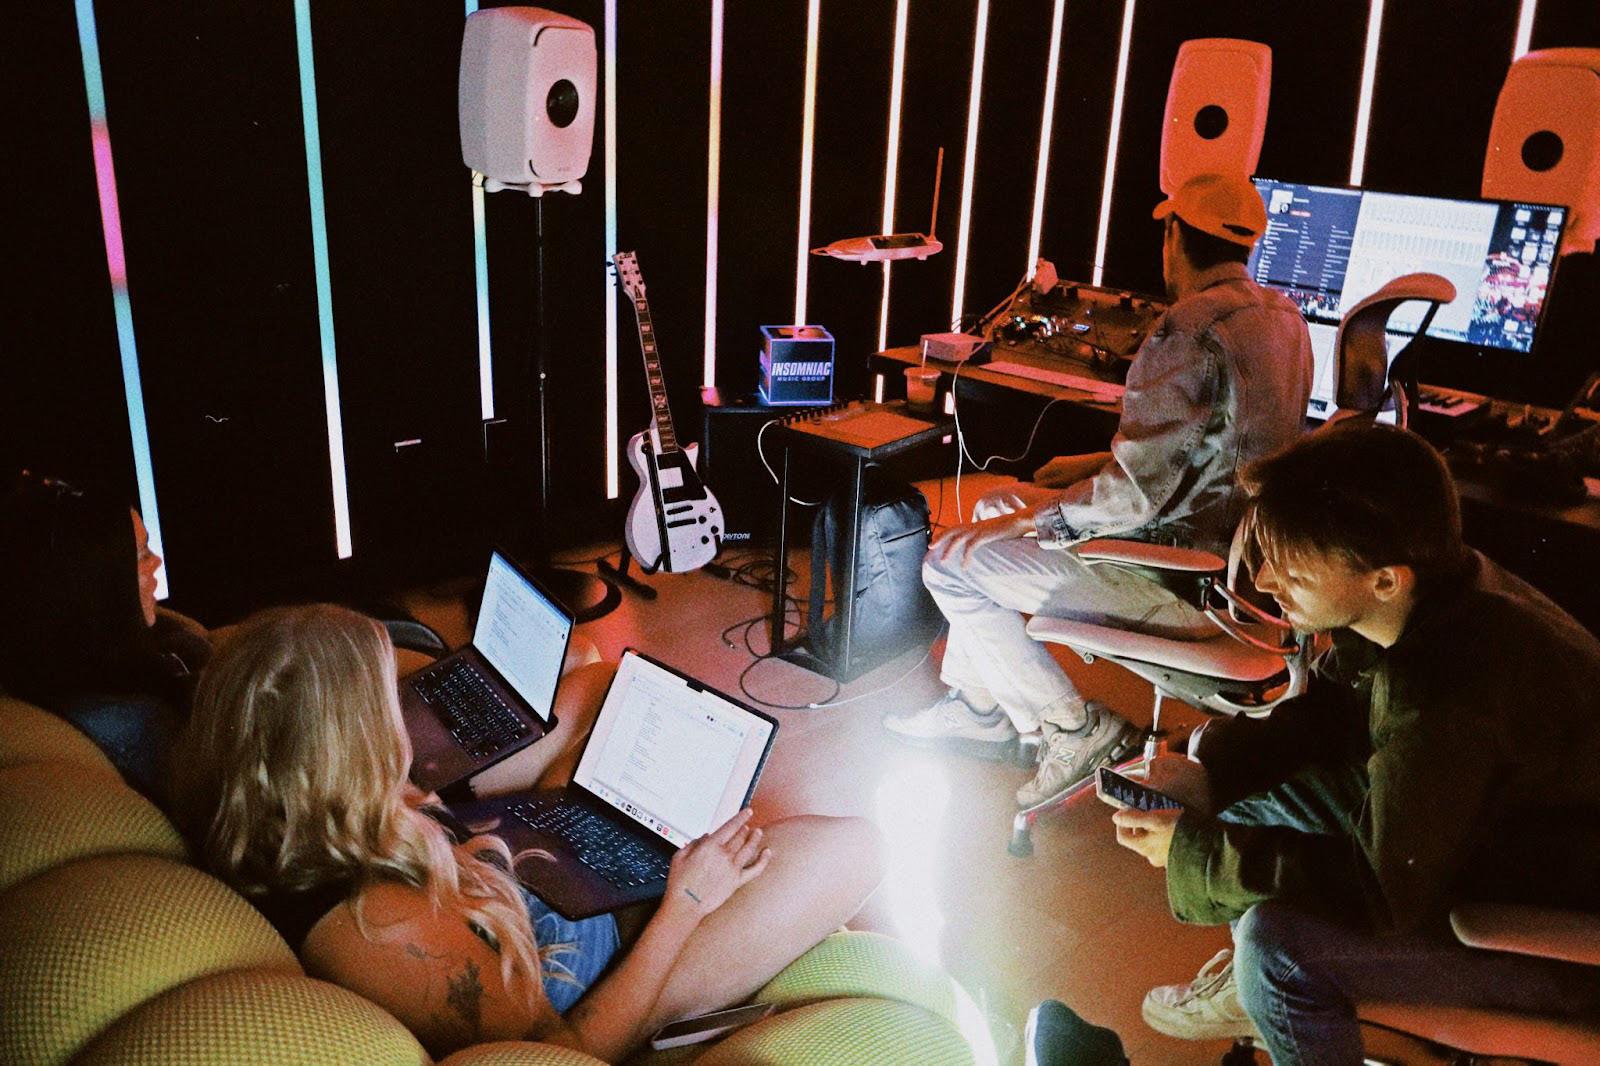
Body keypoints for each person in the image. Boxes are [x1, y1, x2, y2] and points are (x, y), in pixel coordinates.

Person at [172, 604, 886, 1060]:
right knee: (854, 849)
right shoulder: (382, 932)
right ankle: (674, 997)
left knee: (598, 696)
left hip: (502, 884)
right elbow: (563, 1051)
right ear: (345, 747)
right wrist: (686, 903)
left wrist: (426, 802)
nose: (399, 713)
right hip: (585, 965)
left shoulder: (277, 811)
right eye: (384, 701)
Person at [1111, 423, 1600, 1064]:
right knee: (1246, 809)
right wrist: (1213, 772)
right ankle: (1250, 993)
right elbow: (1329, 712)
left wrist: (1195, 855)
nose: (1264, 580)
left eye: (1291, 569)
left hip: (1557, 936)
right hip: (1484, 841)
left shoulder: (1448, 693)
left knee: (1275, 951)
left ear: (1385, 580)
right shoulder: (1432, 593)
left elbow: (1379, 890)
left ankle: (1266, 992)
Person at [886, 172, 1314, 808]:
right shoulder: (1285, 320)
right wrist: (1087, 466)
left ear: (1174, 237)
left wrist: (1034, 522)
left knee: (949, 561)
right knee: (991, 503)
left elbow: (1133, 498)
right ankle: (980, 708)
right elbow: (1214, 452)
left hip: (1177, 581)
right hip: (1244, 574)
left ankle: (1074, 729)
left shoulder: (1189, 330)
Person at [0, 470, 207, 798]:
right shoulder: (135, 728)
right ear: (98, 586)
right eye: (142, 553)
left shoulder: (56, 677)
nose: (156, 561)